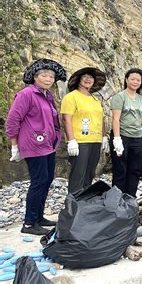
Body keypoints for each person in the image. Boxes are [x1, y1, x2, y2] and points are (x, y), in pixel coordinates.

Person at [5, 58, 67, 235]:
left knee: (46, 180)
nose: (48, 79)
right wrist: (14, 145)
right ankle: (29, 224)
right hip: (33, 144)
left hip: (48, 145)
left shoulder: (47, 95)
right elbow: (13, 120)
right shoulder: (26, 94)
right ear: (35, 77)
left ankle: (39, 217)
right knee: (38, 182)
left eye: (51, 76)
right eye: (44, 75)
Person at [61, 67, 109, 193]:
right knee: (78, 174)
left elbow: (101, 119)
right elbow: (66, 118)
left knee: (90, 173)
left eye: (91, 77)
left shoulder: (96, 100)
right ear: (78, 80)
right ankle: (73, 205)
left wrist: (104, 137)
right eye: (85, 77)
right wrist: (71, 140)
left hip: (95, 140)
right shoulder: (71, 97)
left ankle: (85, 202)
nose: (88, 79)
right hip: (80, 142)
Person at [110, 68, 142, 196]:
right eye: (132, 79)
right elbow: (115, 118)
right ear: (126, 80)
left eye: (138, 80)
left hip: (136, 138)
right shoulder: (120, 97)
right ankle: (117, 199)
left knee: (134, 169)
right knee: (120, 169)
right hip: (122, 137)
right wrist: (117, 139)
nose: (135, 82)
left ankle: (130, 198)